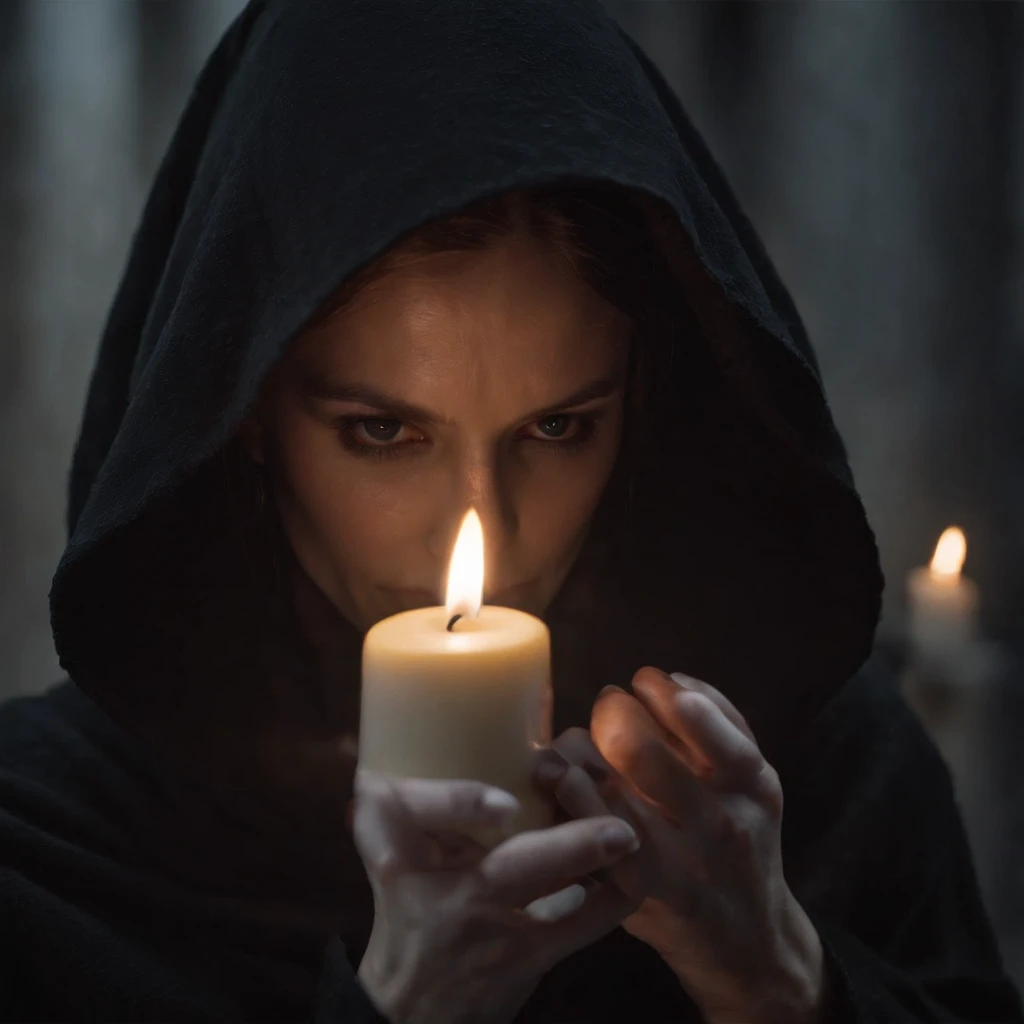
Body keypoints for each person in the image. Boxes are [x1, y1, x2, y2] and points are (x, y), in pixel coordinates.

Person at [0, 1, 1020, 1021]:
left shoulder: (801, 775)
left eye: (558, 429)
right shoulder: (48, 844)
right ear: (248, 412)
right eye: (383, 433)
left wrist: (778, 975)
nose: (482, 531)